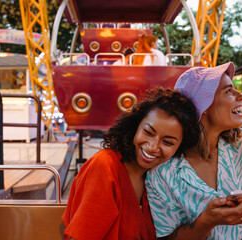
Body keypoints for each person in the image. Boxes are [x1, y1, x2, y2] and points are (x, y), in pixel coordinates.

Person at [146, 62, 242, 240]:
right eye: (228, 91)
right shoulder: (162, 171)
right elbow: (167, 237)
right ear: (204, 106)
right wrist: (208, 220)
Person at [61, 88, 200, 240]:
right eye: (148, 132)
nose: (153, 147)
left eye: (167, 142)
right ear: (136, 127)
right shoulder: (105, 167)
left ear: (179, 148)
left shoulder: (157, 178)